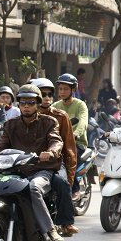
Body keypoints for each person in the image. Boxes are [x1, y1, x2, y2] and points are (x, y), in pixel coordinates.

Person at [0, 84, 64, 241]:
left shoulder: (49, 122)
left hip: (41, 170)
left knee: (34, 188)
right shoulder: (11, 124)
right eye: (23, 103)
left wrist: (50, 152)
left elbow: (56, 141)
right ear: (18, 105)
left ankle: (50, 231)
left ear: (37, 104)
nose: (26, 106)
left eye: (30, 103)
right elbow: (0, 144)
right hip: (16, 171)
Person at [31, 78, 79, 236]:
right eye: (42, 94)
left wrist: (70, 178)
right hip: (29, 163)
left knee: (62, 183)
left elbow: (69, 148)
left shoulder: (60, 116)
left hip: (55, 163)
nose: (46, 97)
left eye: (49, 94)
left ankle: (66, 223)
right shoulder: (24, 115)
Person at [53, 73, 88, 201]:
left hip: (77, 142)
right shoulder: (55, 106)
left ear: (73, 90)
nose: (62, 92)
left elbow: (83, 122)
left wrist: (75, 134)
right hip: (58, 142)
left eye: (66, 89)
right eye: (60, 89)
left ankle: (75, 188)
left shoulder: (80, 105)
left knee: (68, 159)